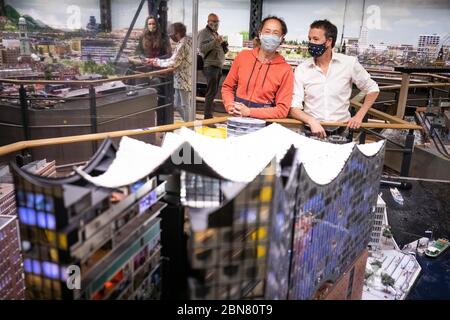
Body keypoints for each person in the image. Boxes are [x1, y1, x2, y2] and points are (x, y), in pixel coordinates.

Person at [290, 19, 379, 138]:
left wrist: (359, 116)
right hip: (310, 132)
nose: (311, 43)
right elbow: (294, 108)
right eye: (309, 39)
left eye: (315, 39)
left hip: (341, 133)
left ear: (329, 41)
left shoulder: (348, 64)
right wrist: (311, 121)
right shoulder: (302, 69)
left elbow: (373, 88)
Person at [221, 16, 294, 119]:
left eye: (275, 33)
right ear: (260, 34)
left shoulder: (285, 70)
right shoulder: (243, 56)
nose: (270, 36)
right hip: (237, 117)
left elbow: (282, 110)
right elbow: (227, 87)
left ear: (282, 38)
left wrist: (249, 111)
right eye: (267, 31)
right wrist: (229, 105)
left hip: (264, 124)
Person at [149, 23, 192, 122]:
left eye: (171, 35)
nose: (170, 37)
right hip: (182, 78)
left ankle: (190, 127)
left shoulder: (182, 44)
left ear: (177, 33)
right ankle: (189, 123)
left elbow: (173, 62)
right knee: (177, 104)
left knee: (185, 105)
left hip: (183, 79)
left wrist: (156, 62)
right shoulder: (188, 40)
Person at [198, 13, 228, 120]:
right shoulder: (203, 33)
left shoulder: (215, 34)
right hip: (210, 66)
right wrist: (215, 42)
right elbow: (202, 48)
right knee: (211, 92)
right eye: (213, 22)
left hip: (217, 66)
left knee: (214, 92)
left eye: (217, 22)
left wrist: (224, 45)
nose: (215, 24)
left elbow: (222, 51)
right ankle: (208, 117)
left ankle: (209, 114)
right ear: (208, 22)